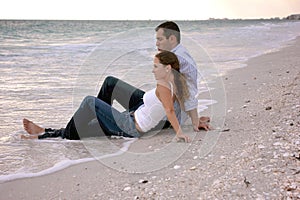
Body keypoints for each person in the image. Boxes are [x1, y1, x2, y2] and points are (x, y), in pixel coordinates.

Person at [22, 51, 191, 142]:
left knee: (89, 101)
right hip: (132, 117)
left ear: (167, 68)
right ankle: (48, 132)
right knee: (109, 85)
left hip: (130, 127)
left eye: (156, 66)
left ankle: (49, 135)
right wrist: (196, 121)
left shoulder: (165, 87)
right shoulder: (175, 83)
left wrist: (179, 132)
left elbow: (169, 110)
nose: (152, 70)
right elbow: (175, 108)